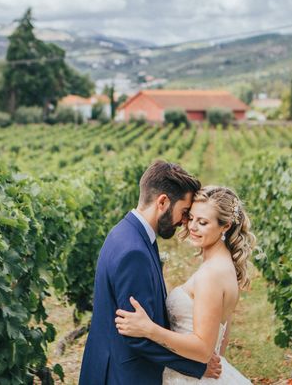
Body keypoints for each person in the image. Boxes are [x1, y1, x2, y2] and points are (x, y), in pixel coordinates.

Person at [80, 160, 222, 384]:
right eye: (184, 212)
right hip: (123, 375)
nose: (184, 222)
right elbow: (136, 335)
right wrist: (196, 366)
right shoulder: (134, 251)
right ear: (163, 202)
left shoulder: (127, 233)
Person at [115, 186, 255, 384]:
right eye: (191, 218)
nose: (192, 227)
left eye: (203, 222)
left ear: (225, 226)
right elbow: (219, 344)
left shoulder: (211, 275)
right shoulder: (223, 266)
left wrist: (149, 329)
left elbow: (204, 350)